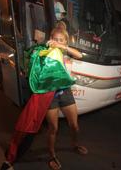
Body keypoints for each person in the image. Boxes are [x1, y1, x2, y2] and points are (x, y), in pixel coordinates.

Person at [45, 27, 87, 170]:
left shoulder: (67, 54)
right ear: (50, 39)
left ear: (65, 41)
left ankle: (75, 144)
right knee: (53, 128)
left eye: (61, 40)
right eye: (55, 39)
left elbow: (80, 55)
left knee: (74, 125)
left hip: (65, 91)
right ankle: (52, 155)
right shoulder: (45, 53)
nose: (57, 42)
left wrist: (62, 47)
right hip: (50, 94)